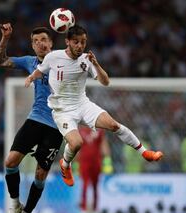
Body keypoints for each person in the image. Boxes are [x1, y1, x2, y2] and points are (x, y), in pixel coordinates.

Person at [25, 25, 163, 187]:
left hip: (83, 104)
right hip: (62, 110)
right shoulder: (53, 57)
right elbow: (40, 70)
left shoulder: (86, 60)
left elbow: (106, 82)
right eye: (76, 42)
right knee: (76, 143)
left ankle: (145, 152)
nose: (80, 46)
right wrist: (30, 78)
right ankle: (65, 164)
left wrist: (96, 64)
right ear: (67, 42)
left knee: (113, 125)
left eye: (83, 42)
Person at [0, 23, 63, 213]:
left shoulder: (63, 61)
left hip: (57, 124)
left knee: (40, 174)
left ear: (51, 43)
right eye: (35, 41)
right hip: (35, 119)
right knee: (10, 161)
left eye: (43, 39)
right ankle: (14, 205)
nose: (40, 43)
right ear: (32, 46)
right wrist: (5, 38)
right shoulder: (30, 62)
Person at [77, 126, 110, 213]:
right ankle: (83, 210)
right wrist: (75, 164)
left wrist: (107, 163)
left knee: (95, 186)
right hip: (84, 162)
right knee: (84, 185)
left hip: (96, 162)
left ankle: (95, 210)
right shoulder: (80, 131)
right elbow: (77, 147)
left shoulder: (99, 130)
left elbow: (104, 145)